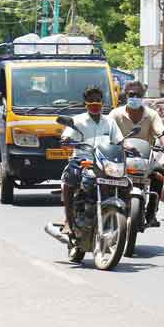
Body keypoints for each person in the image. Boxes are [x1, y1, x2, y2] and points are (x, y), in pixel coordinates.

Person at [60, 86, 124, 235]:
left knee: (123, 181)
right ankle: (68, 221)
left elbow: (119, 141)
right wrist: (66, 140)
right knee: (70, 181)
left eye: (97, 100)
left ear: (102, 102)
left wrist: (127, 147)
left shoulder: (110, 122)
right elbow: (66, 136)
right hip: (82, 160)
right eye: (90, 100)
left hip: (105, 162)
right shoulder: (77, 121)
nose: (94, 103)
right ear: (85, 103)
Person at [109, 80, 164, 227]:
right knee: (104, 177)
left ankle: (152, 212)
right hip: (119, 158)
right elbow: (106, 133)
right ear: (126, 95)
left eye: (138, 94)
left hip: (144, 158)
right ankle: (106, 207)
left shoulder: (152, 115)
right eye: (131, 94)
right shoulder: (115, 114)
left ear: (143, 96)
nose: (134, 97)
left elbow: (161, 132)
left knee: (159, 175)